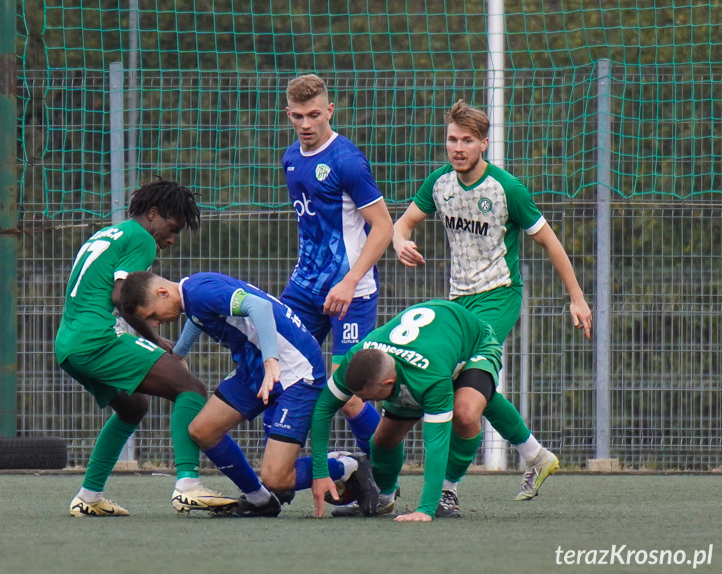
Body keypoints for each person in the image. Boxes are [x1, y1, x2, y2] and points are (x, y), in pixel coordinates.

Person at [391, 99, 594, 516]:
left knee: (464, 396)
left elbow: (550, 241)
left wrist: (577, 297)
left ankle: (447, 491)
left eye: (467, 140)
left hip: (499, 297)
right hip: (457, 303)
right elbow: (403, 222)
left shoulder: (506, 189)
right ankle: (536, 455)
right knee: (468, 391)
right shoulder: (439, 185)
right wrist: (399, 240)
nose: (458, 147)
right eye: (452, 139)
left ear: (484, 143)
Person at [120, 270, 379, 517]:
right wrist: (179, 353)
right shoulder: (192, 295)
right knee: (202, 430)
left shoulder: (200, 292)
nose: (155, 322)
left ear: (163, 292)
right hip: (253, 369)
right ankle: (260, 500)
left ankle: (348, 466)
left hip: (296, 373)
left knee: (278, 478)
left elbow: (259, 306)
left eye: (153, 314)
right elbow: (197, 319)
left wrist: (270, 360)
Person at [55, 179, 237, 517]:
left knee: (133, 407)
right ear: (153, 214)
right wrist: (155, 340)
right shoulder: (141, 238)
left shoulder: (109, 233)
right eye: (172, 228)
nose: (170, 239)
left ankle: (89, 496)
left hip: (68, 343)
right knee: (190, 386)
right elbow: (123, 297)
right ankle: (187, 484)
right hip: (96, 338)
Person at [276, 73, 394, 455]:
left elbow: (383, 228)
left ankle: (381, 462)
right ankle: (279, 468)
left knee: (348, 390)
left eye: (313, 115)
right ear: (288, 114)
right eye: (297, 116)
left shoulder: (347, 162)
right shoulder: (291, 158)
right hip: (304, 289)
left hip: (351, 294)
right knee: (278, 365)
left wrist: (349, 281)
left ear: (330, 110)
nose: (306, 125)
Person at [310, 299, 503, 521]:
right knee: (383, 439)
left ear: (388, 384)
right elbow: (323, 409)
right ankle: (384, 499)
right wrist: (320, 472)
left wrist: (425, 510)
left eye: (368, 397)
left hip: (475, 343)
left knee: (466, 415)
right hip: (413, 361)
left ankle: (446, 491)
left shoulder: (430, 379)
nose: (361, 400)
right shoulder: (356, 358)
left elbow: (435, 444)